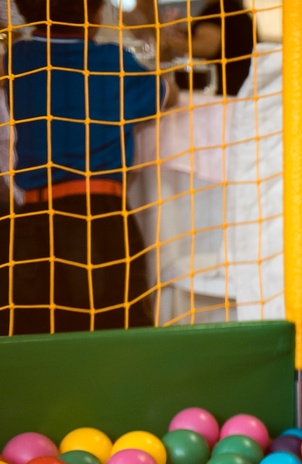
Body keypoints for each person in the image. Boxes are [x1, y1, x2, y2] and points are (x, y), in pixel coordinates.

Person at [7, 0, 177, 335]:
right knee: (116, 331)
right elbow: (168, 95)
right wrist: (162, 47)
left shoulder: (16, 60)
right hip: (98, 218)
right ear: (97, 14)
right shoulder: (110, 61)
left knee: (36, 337)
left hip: (29, 222)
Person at [167, 0, 257, 97]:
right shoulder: (233, 9)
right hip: (242, 87)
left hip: (227, 89)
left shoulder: (218, 9)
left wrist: (168, 41)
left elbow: (206, 47)